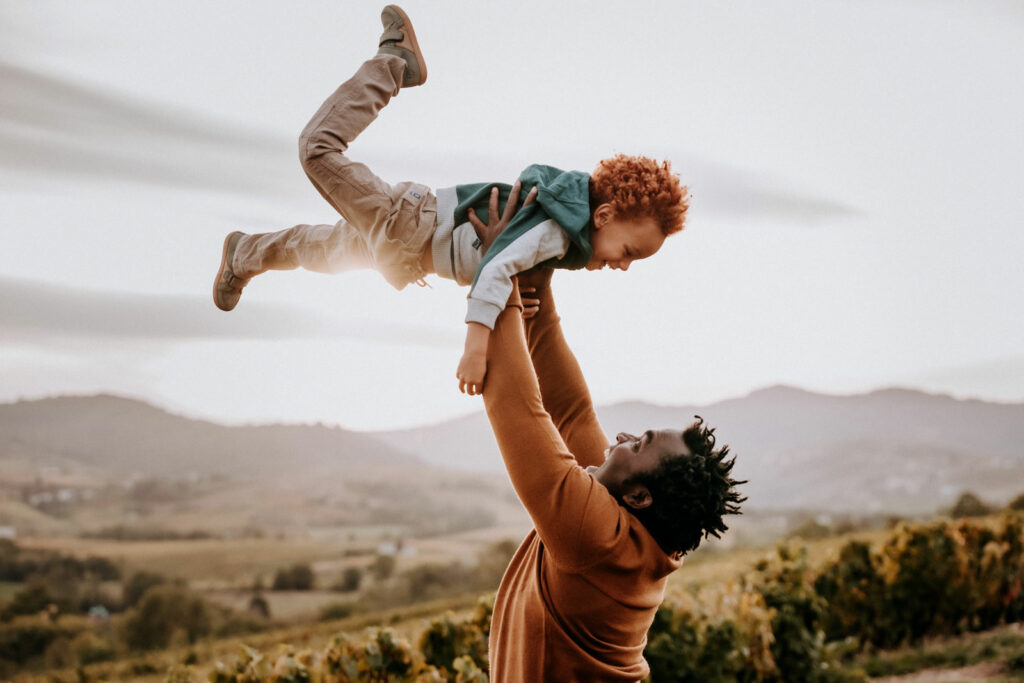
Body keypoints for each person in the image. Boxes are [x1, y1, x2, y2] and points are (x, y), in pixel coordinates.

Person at [212, 4, 690, 395]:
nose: (623, 266)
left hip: (407, 251)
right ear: (604, 215)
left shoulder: (564, 236)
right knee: (316, 150)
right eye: (629, 252)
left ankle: (243, 253)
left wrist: (522, 290)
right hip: (409, 224)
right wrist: (475, 346)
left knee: (316, 250)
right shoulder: (556, 228)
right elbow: (498, 264)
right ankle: (394, 64)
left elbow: (512, 265)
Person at [465, 207, 746, 680]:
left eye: (636, 445)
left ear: (639, 495)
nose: (620, 439)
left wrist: (497, 273)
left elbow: (516, 405)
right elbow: (571, 409)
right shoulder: (635, 524)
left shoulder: (597, 536)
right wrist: (536, 276)